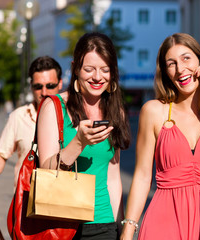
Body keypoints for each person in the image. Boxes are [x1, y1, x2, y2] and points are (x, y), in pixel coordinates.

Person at [120, 33, 200, 240]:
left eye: (186, 58)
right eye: (171, 63)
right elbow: (143, 176)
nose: (180, 69)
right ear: (165, 72)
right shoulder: (154, 111)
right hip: (163, 222)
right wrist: (127, 231)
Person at [37, 32, 131, 239]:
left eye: (105, 70)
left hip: (104, 223)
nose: (97, 77)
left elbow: (113, 178)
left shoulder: (116, 112)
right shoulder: (54, 107)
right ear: (75, 69)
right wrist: (79, 142)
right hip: (62, 224)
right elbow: (46, 168)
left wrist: (121, 228)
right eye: (89, 69)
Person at [0, 56, 63, 197]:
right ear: (31, 87)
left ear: (60, 84)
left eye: (50, 86)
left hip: (63, 202)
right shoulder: (19, 116)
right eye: (38, 87)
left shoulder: (72, 116)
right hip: (26, 203)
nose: (44, 92)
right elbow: (1, 154)